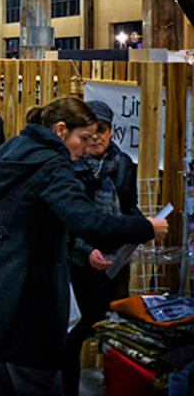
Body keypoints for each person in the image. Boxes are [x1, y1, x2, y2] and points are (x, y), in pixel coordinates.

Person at [0, 97, 167, 396]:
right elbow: (88, 221)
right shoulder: (51, 163)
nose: (87, 146)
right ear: (61, 130)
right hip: (24, 298)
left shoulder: (15, 150)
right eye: (83, 138)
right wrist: (146, 227)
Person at [61, 101, 140, 396]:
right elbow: (67, 220)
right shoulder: (70, 165)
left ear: (110, 131)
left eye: (102, 130)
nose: (96, 137)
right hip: (78, 265)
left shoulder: (124, 165)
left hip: (114, 265)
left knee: (110, 329)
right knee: (72, 337)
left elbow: (130, 208)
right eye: (90, 131)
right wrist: (85, 251)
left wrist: (142, 227)